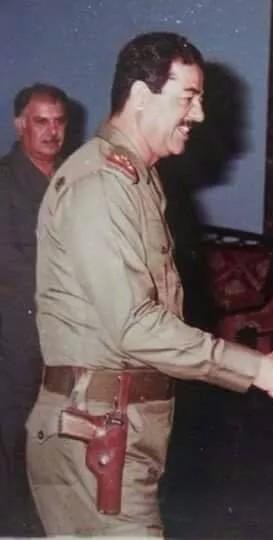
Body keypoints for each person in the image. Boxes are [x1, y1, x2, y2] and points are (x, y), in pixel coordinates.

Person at [26, 32, 273, 537]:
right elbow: (136, 326)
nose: (200, 114)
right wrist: (259, 369)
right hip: (95, 438)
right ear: (141, 96)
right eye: (188, 97)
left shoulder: (137, 180)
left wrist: (261, 365)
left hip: (117, 433)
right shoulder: (102, 184)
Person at [0, 83, 68, 534]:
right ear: (19, 125)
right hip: (17, 327)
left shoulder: (73, 175)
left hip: (68, 329)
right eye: (41, 121)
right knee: (15, 429)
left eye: (59, 121)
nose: (51, 131)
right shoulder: (4, 181)